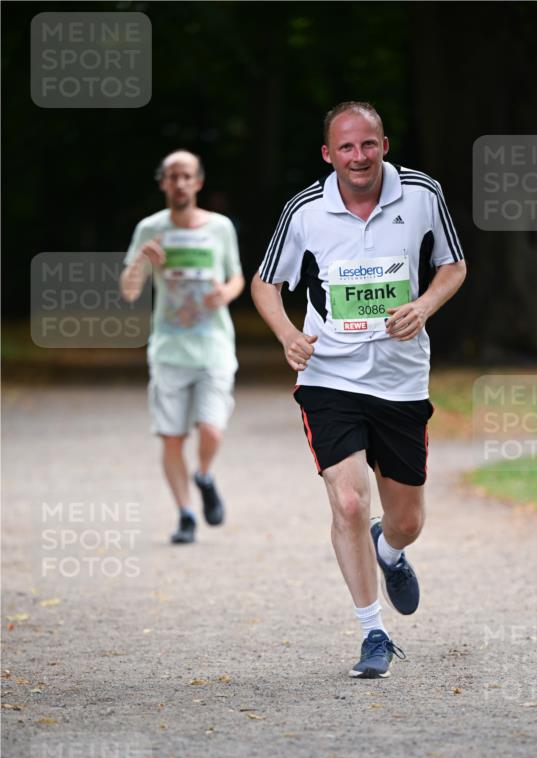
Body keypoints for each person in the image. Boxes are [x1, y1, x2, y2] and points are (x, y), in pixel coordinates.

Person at [251, 101, 466, 678]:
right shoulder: (305, 210)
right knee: (347, 500)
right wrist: (287, 334)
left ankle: (389, 549)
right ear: (328, 154)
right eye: (345, 147)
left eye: (368, 144)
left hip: (400, 380)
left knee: (407, 523)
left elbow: (454, 266)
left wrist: (423, 306)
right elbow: (266, 283)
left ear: (385, 145)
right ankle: (373, 631)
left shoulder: (422, 194)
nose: (358, 156)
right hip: (330, 376)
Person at [120, 150, 244, 542]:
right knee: (172, 436)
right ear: (163, 183)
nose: (180, 183)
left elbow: (237, 276)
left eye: (187, 176)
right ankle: (186, 515)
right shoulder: (149, 229)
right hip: (170, 348)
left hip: (214, 345)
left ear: (198, 182)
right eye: (172, 176)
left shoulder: (220, 227)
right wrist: (141, 260)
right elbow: (128, 291)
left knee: (212, 428)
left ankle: (204, 475)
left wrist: (225, 293)